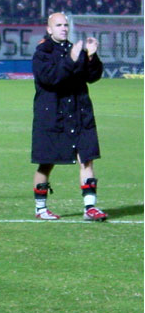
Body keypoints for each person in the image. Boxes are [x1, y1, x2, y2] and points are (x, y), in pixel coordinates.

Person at [31, 12, 107, 222]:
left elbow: (92, 77)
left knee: (87, 158)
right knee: (46, 162)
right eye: (59, 25)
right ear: (49, 29)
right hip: (53, 116)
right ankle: (41, 208)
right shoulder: (42, 52)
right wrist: (71, 59)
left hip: (79, 113)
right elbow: (50, 79)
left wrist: (91, 57)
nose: (64, 29)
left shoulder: (74, 48)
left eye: (65, 25)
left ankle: (90, 207)